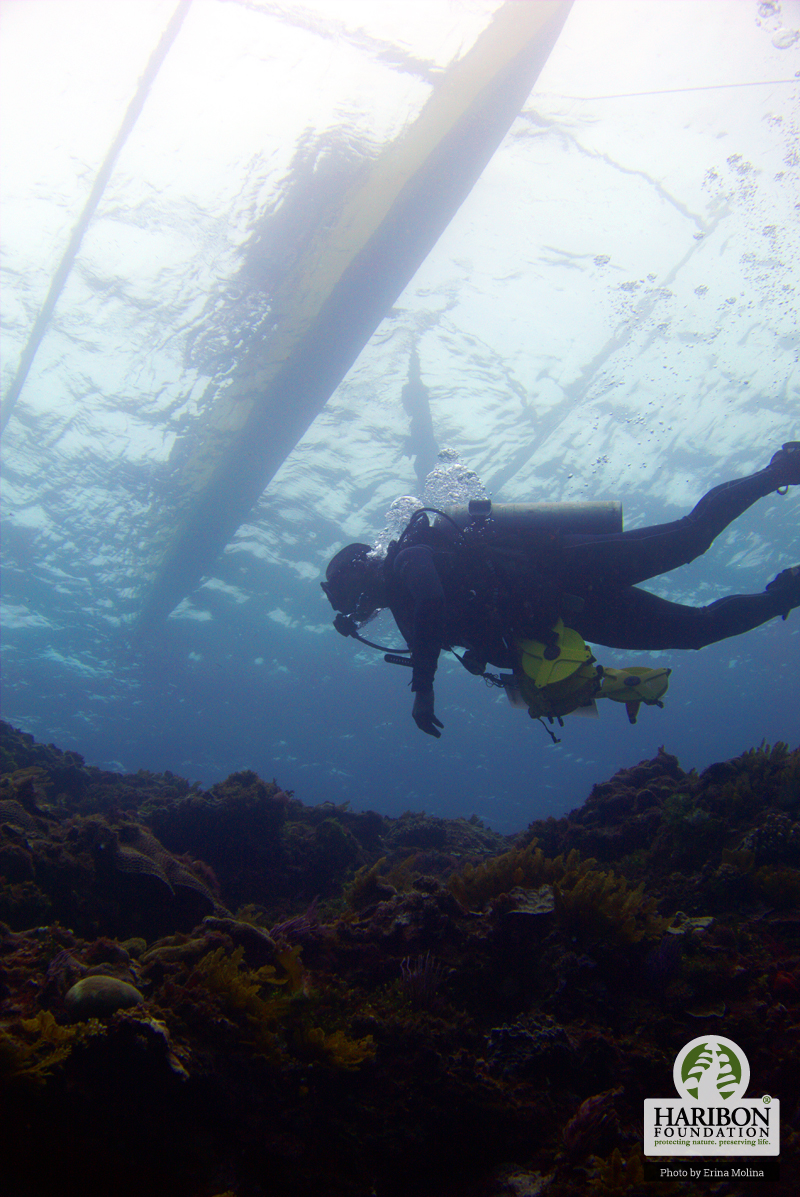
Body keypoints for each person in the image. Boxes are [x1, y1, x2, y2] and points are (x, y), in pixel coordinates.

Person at [321, 443, 800, 738]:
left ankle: (779, 470)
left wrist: (423, 689)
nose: (357, 613)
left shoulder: (408, 556)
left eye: (347, 597)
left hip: (567, 565)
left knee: (689, 538)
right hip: (573, 612)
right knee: (696, 630)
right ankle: (787, 593)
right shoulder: (412, 618)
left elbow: (431, 597)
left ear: (361, 569)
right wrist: (577, 686)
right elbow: (497, 643)